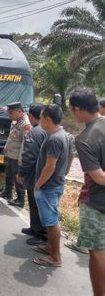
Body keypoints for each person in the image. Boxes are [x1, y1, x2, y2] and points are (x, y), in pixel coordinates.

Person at [69, 88, 105, 295]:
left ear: (78, 109)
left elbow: (98, 177)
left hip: (96, 203)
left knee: (98, 252)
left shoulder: (84, 139)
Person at [32, 104, 70, 267]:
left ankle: (55, 257)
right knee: (48, 219)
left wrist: (38, 184)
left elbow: (50, 166)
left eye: (41, 117)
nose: (39, 121)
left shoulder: (55, 139)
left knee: (51, 221)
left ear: (47, 119)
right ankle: (49, 247)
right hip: (54, 184)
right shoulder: (62, 134)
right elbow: (68, 161)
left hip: (48, 186)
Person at [16, 103, 48, 245]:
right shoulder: (47, 130)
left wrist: (21, 173)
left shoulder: (35, 132)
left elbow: (29, 156)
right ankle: (35, 228)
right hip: (42, 172)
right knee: (35, 202)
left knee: (36, 203)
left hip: (35, 173)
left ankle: (41, 234)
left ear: (30, 116)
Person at [0, 102, 31, 207]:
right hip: (11, 153)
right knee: (8, 174)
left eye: (11, 113)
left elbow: (25, 144)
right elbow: (11, 136)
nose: (9, 115)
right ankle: (7, 192)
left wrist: (21, 159)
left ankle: (20, 199)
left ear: (19, 111)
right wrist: (6, 146)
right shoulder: (15, 121)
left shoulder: (26, 124)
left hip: (17, 156)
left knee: (17, 177)